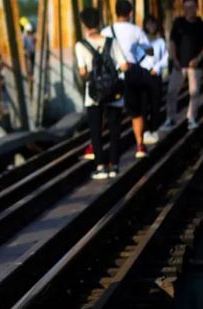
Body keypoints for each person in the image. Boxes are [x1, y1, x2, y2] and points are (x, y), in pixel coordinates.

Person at [75, 7, 128, 179]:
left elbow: (83, 71)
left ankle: (100, 167)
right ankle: (114, 165)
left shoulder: (80, 45)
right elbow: (124, 65)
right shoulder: (112, 42)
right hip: (113, 91)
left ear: (84, 24)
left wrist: (93, 76)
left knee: (96, 131)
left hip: (94, 94)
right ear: (99, 22)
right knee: (114, 130)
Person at [101, 0, 154, 158]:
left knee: (111, 114)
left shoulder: (105, 32)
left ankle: (105, 147)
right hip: (131, 75)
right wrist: (138, 62)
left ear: (115, 12)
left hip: (112, 78)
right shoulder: (136, 30)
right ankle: (139, 144)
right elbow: (149, 52)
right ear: (130, 13)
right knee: (136, 112)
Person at [163, 0, 203, 131]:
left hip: (195, 66)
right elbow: (173, 42)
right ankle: (170, 118)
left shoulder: (202, 26)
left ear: (196, 8)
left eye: (191, 7)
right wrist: (174, 59)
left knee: (194, 93)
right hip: (179, 65)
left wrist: (198, 58)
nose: (188, 10)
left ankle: (191, 118)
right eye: (186, 7)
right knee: (171, 92)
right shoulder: (178, 23)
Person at [141, 15, 168, 145]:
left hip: (156, 75)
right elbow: (139, 58)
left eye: (153, 24)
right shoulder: (142, 42)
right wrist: (148, 67)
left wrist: (156, 67)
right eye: (148, 24)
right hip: (143, 75)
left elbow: (165, 58)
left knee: (156, 103)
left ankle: (154, 128)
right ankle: (145, 131)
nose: (150, 27)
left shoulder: (160, 41)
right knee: (144, 103)